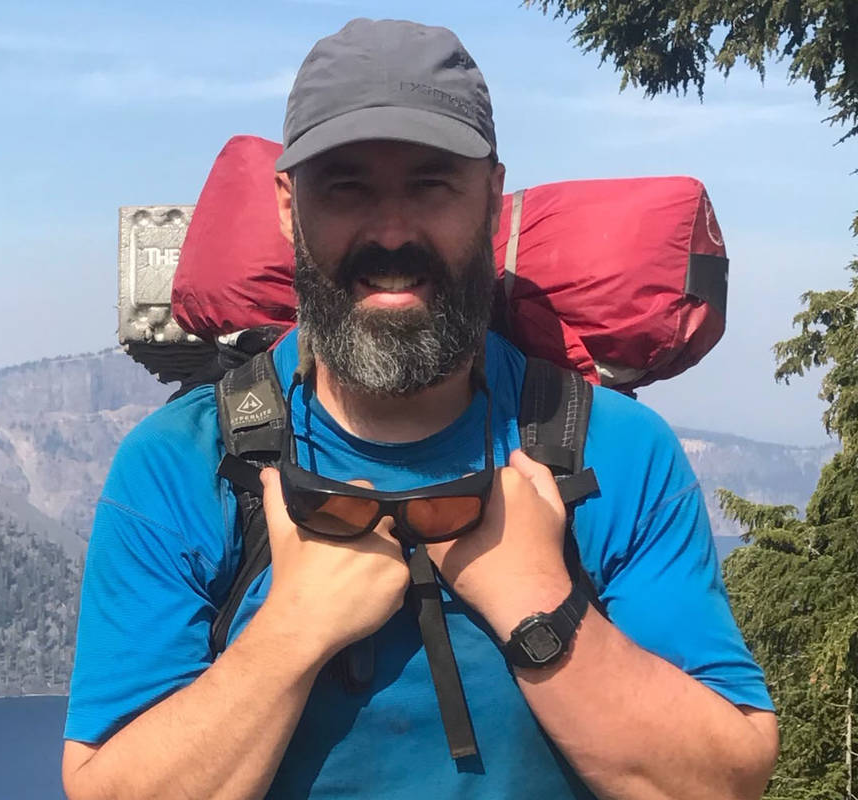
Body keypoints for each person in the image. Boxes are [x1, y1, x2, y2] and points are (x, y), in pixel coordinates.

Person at [62, 18, 779, 799]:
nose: (393, 230)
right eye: (346, 187)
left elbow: (721, 782)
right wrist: (292, 632)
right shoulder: (183, 463)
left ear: (493, 200)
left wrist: (541, 604)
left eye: (432, 183)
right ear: (285, 205)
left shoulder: (611, 451)